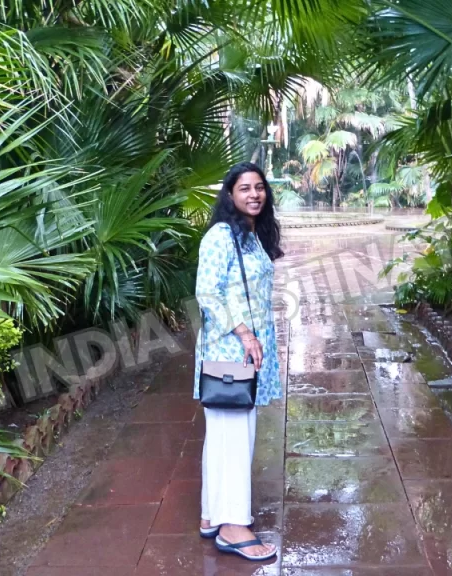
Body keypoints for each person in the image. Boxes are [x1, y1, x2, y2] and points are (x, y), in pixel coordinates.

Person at [193, 162, 284, 561]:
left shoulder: (250, 234)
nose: (254, 194)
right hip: (231, 351)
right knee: (233, 435)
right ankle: (233, 527)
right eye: (244, 188)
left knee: (225, 434)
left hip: (246, 350)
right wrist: (245, 333)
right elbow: (207, 293)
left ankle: (213, 514)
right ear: (229, 194)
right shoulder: (220, 235)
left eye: (259, 187)